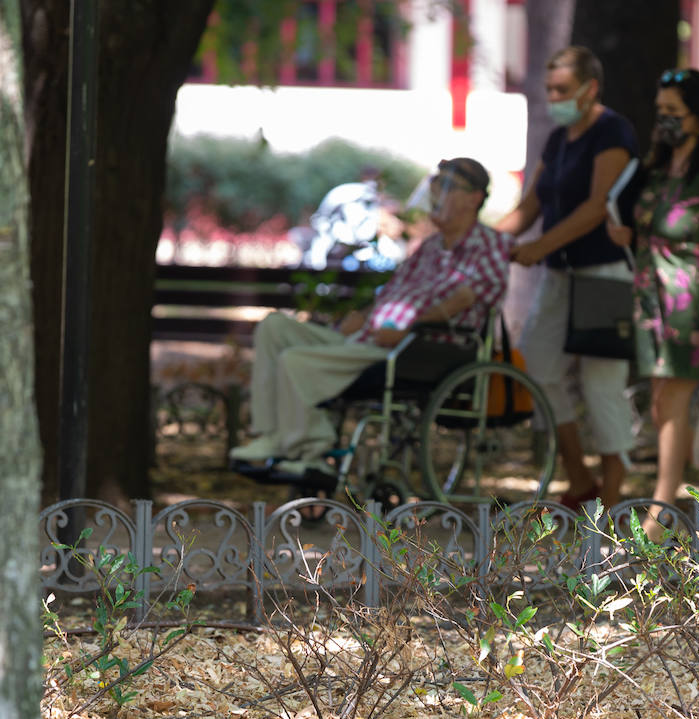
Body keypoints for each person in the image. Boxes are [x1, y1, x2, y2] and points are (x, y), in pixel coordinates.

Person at [229, 157, 509, 480]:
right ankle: (271, 436)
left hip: (418, 347)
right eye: (436, 185)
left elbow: (467, 298)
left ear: (474, 198)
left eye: (447, 187)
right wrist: (362, 316)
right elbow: (392, 293)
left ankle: (310, 451)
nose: (437, 195)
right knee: (275, 326)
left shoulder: (490, 244)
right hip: (373, 339)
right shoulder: (430, 247)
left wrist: (407, 327)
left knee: (296, 361)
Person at [607, 68, 699, 538]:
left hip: (697, 307)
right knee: (661, 406)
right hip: (651, 303)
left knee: (672, 402)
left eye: (675, 112)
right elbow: (650, 230)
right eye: (661, 111)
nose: (665, 120)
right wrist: (627, 234)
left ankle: (660, 511)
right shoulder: (653, 171)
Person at [496, 46, 637, 511]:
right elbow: (527, 209)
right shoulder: (557, 140)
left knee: (602, 385)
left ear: (589, 88)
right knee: (538, 364)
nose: (553, 98)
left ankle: (612, 498)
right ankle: (579, 476)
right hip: (559, 277)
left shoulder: (612, 132)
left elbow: (597, 207)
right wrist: (477, 238)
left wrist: (540, 246)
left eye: (561, 90)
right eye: (549, 89)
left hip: (603, 277)